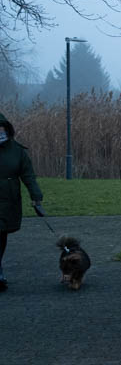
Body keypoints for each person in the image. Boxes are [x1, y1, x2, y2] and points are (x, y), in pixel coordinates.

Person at [0, 112, 44, 292]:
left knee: (1, 235)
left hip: (8, 200)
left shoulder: (17, 152)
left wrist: (36, 197)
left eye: (1, 129)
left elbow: (28, 176)